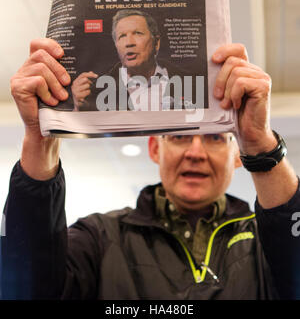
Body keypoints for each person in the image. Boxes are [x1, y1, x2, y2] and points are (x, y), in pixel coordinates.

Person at [1, 38, 300, 300]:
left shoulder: (266, 243)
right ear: (155, 149)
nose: (196, 153)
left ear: (237, 155)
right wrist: (39, 138)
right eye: (179, 137)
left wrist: (260, 142)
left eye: (214, 138)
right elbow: (24, 287)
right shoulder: (100, 237)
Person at [71, 9, 202, 111]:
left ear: (156, 43)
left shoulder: (191, 82)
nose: (129, 43)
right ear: (116, 45)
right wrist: (78, 107)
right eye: (122, 36)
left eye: (137, 33)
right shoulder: (97, 89)